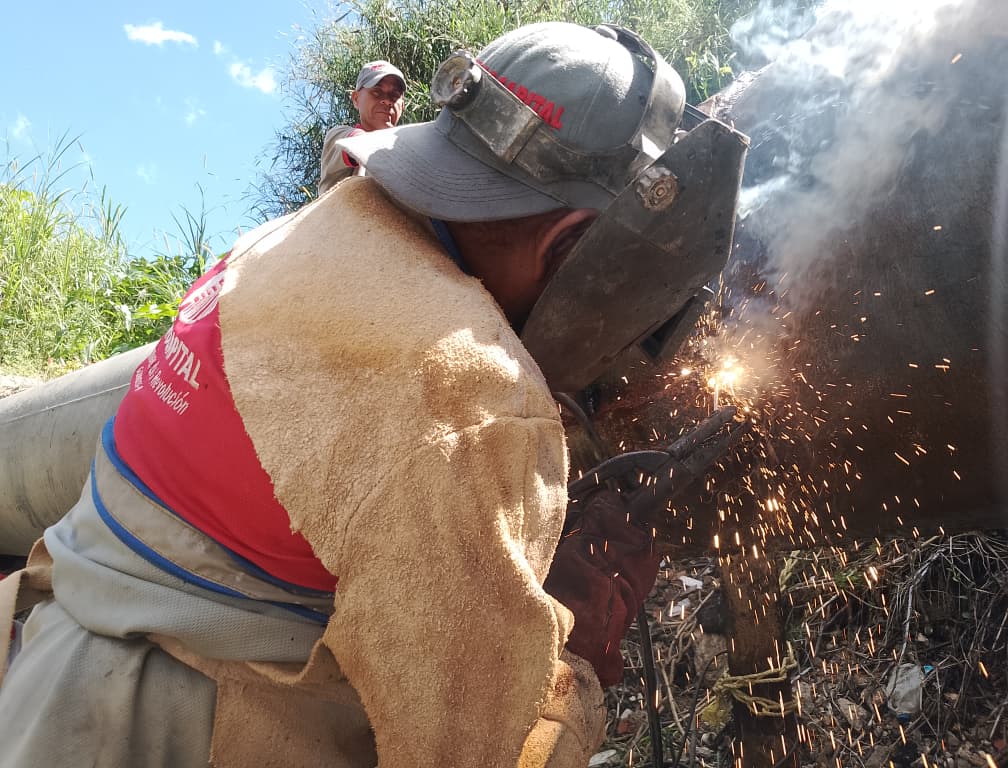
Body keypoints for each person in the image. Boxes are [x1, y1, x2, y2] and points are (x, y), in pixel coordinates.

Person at [0, 21, 736, 768]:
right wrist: (577, 641)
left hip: (48, 687)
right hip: (174, 737)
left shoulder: (300, 237)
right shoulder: (478, 397)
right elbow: (472, 751)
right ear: (570, 244)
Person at [318, 60, 406, 193]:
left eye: (394, 96)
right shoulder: (338, 136)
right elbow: (360, 144)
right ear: (356, 98)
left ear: (402, 106)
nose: (387, 100)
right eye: (376, 92)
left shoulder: (407, 156)